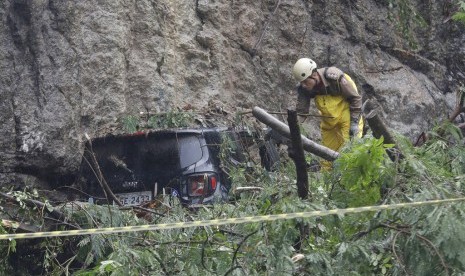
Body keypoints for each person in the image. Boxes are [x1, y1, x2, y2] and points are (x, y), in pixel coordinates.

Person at [292, 58, 364, 169]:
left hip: (348, 116)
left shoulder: (334, 77)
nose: (304, 85)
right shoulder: (305, 88)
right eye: (301, 82)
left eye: (306, 81)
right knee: (326, 160)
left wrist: (354, 123)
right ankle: (329, 184)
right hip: (329, 122)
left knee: (351, 153)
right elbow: (301, 113)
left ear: (314, 75)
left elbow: (355, 99)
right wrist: (293, 127)